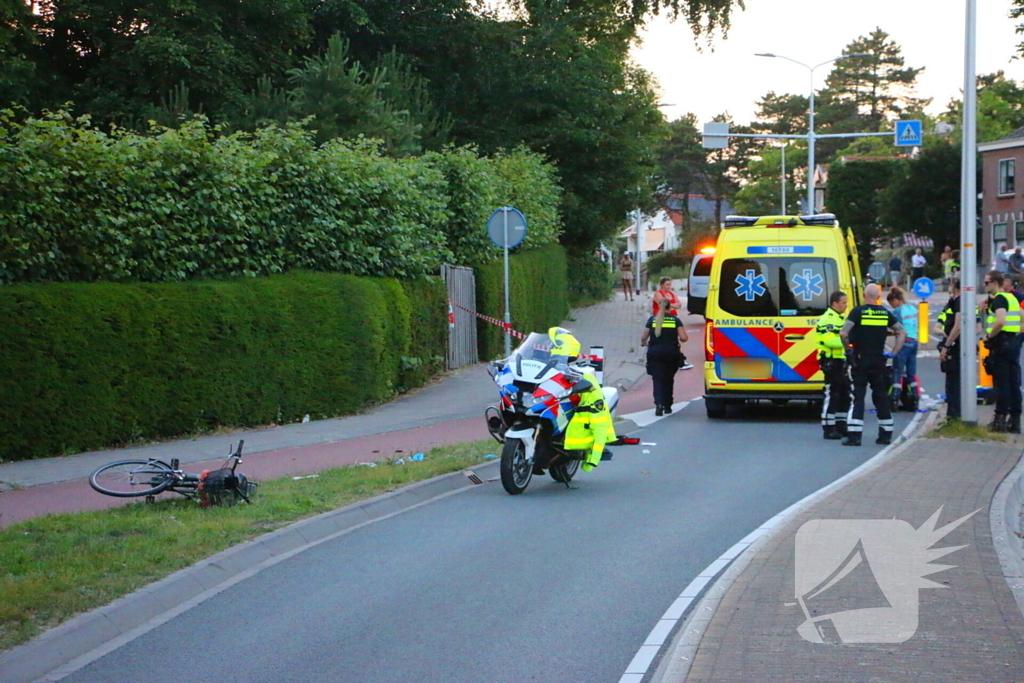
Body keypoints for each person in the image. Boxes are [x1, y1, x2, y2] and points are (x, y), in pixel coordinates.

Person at [840, 283, 907, 446]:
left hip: (860, 360)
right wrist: (893, 352)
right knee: (881, 397)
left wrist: (848, 350)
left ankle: (855, 436)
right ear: (878, 297)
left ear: (864, 295)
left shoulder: (857, 312)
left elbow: (843, 333)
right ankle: (885, 435)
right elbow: (902, 332)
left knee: (859, 397)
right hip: (879, 361)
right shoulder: (884, 313)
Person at [555, 327, 616, 471]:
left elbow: (598, 417)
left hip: (570, 418)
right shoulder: (542, 364)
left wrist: (593, 457)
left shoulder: (583, 377)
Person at [982, 272, 1022, 433]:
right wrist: (1016, 333)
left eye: (987, 282)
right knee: (1013, 382)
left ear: (996, 283)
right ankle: (1015, 420)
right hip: (1012, 343)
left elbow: (1000, 321)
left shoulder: (998, 299)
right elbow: (1022, 317)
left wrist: (988, 336)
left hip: (1000, 344)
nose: (985, 286)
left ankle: (1000, 420)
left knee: (1001, 383)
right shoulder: (1011, 298)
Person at [641, 297, 690, 416]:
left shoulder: (652, 320)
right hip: (671, 353)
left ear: (659, 306)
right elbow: (684, 338)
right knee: (668, 379)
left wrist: (643, 343)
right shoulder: (675, 320)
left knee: (657, 379)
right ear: (670, 307)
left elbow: (644, 337)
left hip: (655, 353)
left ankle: (659, 404)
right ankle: (668, 405)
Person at [816, 291, 851, 440]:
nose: (846, 305)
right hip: (831, 362)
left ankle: (841, 425)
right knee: (833, 395)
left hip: (840, 361)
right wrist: (849, 344)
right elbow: (830, 341)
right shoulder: (828, 320)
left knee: (845, 395)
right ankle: (828, 428)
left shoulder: (838, 318)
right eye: (844, 302)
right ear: (835, 303)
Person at [886, 287, 920, 412]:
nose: (892, 306)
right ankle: (915, 397)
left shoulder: (897, 311)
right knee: (911, 373)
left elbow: (898, 330)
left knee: (897, 372)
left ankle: (894, 399)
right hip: (914, 342)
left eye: (891, 303)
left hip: (904, 343)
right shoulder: (911, 308)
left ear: (895, 300)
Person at [936, 279, 962, 420]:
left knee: (953, 384)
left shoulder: (959, 302)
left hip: (955, 346)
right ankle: (953, 415)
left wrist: (947, 345)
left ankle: (954, 416)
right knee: (952, 382)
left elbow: (957, 326)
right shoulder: (954, 301)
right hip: (957, 345)